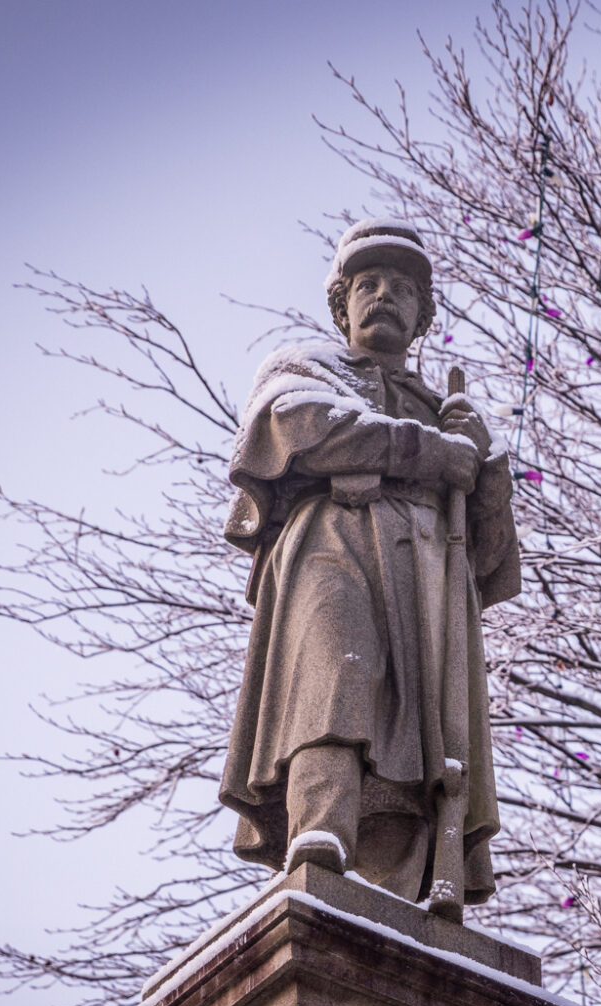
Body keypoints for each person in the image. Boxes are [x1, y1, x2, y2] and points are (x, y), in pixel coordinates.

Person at [217, 219, 519, 917]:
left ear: (422, 314)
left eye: (403, 289)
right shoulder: (304, 370)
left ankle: (397, 877)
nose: (384, 296)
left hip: (429, 578)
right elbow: (300, 426)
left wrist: (487, 469)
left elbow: (494, 558)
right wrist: (427, 451)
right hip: (335, 542)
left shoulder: (451, 416)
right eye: (368, 284)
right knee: (335, 676)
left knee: (422, 729)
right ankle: (322, 826)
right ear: (342, 303)